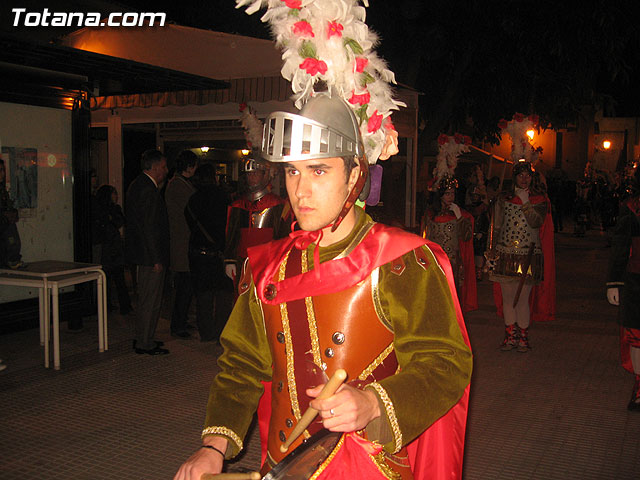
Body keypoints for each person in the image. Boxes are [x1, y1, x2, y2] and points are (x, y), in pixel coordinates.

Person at [174, 93, 472, 480]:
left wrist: (373, 402)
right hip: (285, 463)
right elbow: (241, 366)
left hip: (366, 465)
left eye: (318, 171)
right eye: (292, 171)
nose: (300, 190)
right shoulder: (267, 269)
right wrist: (213, 447)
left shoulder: (400, 261)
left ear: (354, 175)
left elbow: (445, 363)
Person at [486, 159, 555, 352]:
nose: (524, 179)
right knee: (508, 298)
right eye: (521, 175)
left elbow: (536, 222)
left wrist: (525, 202)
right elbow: (496, 226)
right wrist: (490, 251)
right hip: (505, 253)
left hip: (528, 255)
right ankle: (510, 335)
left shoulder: (539, 199)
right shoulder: (504, 198)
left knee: (523, 298)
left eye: (528, 176)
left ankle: (523, 335)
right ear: (514, 177)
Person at [125, 149, 170, 356]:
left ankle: (146, 337)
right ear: (153, 168)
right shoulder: (147, 190)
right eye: (163, 167)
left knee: (149, 299)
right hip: (148, 256)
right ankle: (144, 341)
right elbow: (149, 227)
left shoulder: (139, 186)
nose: (165, 171)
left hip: (144, 254)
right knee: (150, 300)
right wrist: (156, 259)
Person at [185, 163, 233, 343]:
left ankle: (206, 333)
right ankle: (222, 331)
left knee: (203, 295)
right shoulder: (223, 198)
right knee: (223, 295)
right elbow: (229, 225)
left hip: (199, 253)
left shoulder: (193, 200)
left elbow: (190, 223)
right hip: (220, 252)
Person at [223, 157, 291, 284]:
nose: (252, 177)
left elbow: (283, 237)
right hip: (243, 262)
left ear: (265, 175)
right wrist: (230, 260)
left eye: (255, 173)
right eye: (249, 174)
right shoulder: (238, 205)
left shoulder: (278, 204)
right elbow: (232, 235)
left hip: (268, 264)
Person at [606, 166, 640, 410]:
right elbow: (620, 248)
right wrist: (614, 282)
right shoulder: (631, 210)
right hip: (636, 282)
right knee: (637, 338)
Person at [421, 177, 477, 312]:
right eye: (447, 193)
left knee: (452, 298)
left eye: (452, 193)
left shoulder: (461, 215)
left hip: (453, 262)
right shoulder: (430, 214)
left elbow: (466, 237)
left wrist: (459, 217)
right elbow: (425, 238)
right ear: (440, 195)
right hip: (435, 261)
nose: (451, 197)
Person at [165, 149, 198, 338]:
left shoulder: (179, 183)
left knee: (186, 286)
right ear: (190, 166)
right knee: (184, 287)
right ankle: (178, 325)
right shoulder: (178, 185)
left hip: (181, 240)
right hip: (181, 242)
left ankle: (181, 321)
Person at [92, 185, 132, 315]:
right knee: (111, 278)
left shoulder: (113, 209)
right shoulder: (102, 210)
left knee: (116, 278)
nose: (116, 196)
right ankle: (112, 305)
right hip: (108, 248)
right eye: (114, 194)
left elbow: (119, 221)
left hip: (112, 248)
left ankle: (118, 306)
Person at [0, 158, 23, 269]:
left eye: (3, 170)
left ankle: (13, 258)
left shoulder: (3, 191)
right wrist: (5, 217)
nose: (2, 174)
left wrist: (13, 213)